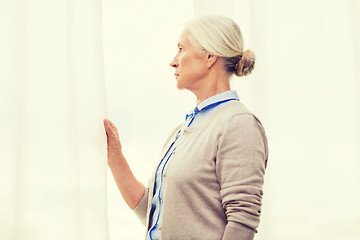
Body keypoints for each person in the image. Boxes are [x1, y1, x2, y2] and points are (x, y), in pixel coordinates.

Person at [104, 15, 268, 240]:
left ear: (210, 56)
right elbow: (154, 214)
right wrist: (115, 157)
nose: (173, 61)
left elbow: (242, 222)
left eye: (181, 48)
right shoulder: (182, 131)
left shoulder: (238, 123)